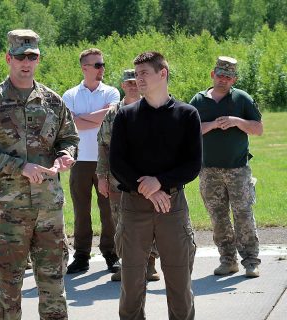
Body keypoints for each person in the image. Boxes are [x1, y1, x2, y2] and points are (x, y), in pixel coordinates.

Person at [0, 29, 79, 320]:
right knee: (7, 286)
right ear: (8, 58)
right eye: (20, 56)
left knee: (53, 284)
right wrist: (20, 167)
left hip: (49, 209)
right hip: (8, 211)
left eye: (32, 56)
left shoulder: (52, 101)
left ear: (38, 59)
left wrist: (66, 156)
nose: (26, 62)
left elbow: (69, 138)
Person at [110, 51, 202, 320]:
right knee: (131, 284)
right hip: (134, 208)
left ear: (163, 74)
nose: (138, 79)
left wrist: (159, 182)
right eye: (136, 74)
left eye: (144, 73)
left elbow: (192, 164)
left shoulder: (187, 115)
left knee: (179, 282)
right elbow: (118, 163)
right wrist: (148, 189)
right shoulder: (126, 116)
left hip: (172, 207)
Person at [190, 56, 263, 278]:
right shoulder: (199, 100)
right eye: (220, 75)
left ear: (234, 79)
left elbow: (258, 128)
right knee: (218, 217)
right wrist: (212, 125)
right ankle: (228, 260)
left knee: (243, 215)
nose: (223, 79)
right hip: (209, 170)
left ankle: (251, 261)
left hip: (238, 169)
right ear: (213, 75)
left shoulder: (242, 99)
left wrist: (236, 121)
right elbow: (188, 130)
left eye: (228, 76)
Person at [96, 69, 159, 282]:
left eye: (136, 82)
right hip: (117, 180)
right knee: (121, 223)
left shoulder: (152, 108)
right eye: (129, 83)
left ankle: (149, 264)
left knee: (147, 221)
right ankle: (128, 265)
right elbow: (103, 146)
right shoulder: (113, 113)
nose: (133, 86)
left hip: (145, 180)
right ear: (123, 86)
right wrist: (101, 176)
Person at [62, 48, 121, 274]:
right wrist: (97, 116)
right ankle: (82, 255)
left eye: (102, 64)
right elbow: (70, 125)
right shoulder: (70, 95)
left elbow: (110, 118)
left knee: (108, 210)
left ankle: (111, 253)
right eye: (97, 65)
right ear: (84, 68)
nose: (101, 69)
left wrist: (82, 118)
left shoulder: (112, 92)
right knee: (81, 211)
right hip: (79, 161)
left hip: (105, 160)